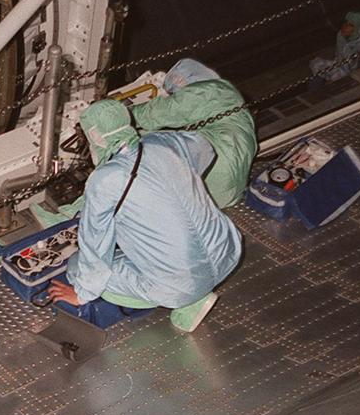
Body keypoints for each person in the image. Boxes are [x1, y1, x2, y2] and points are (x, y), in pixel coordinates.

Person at [46, 99, 242, 333]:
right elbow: (204, 148)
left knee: (78, 267)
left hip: (181, 286)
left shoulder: (105, 180)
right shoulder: (165, 142)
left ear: (95, 138)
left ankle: (190, 300)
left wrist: (82, 293)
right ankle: (196, 289)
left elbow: (95, 245)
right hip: (228, 252)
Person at [130, 58, 257, 209]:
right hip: (228, 192)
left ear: (180, 80)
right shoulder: (225, 92)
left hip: (213, 177)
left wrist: (116, 115)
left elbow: (158, 114)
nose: (173, 95)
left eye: (173, 93)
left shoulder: (205, 91)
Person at [309, 11, 360, 84]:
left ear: (357, 28)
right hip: (339, 65)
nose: (345, 26)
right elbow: (339, 54)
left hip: (351, 73)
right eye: (346, 23)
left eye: (350, 24)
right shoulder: (341, 36)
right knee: (315, 64)